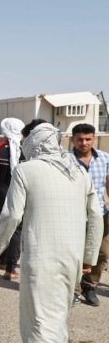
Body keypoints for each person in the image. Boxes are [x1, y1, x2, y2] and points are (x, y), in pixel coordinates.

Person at [0, 123, 103, 343]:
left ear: (35, 143)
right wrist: (89, 258)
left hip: (42, 258)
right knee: (57, 313)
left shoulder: (26, 170)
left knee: (40, 316)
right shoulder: (77, 171)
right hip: (72, 259)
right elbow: (96, 217)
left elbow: (12, 215)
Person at [70, 123, 109, 306]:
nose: (84, 143)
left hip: (100, 214)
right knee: (75, 253)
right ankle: (74, 290)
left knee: (101, 253)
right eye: (80, 139)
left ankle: (90, 286)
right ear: (73, 140)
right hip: (73, 215)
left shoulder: (104, 159)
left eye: (88, 139)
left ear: (94, 139)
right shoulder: (65, 160)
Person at [0, 117, 25, 279]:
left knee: (2, 226)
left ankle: (3, 260)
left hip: (2, 194)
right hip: (22, 195)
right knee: (17, 229)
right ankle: (11, 266)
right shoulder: (27, 150)